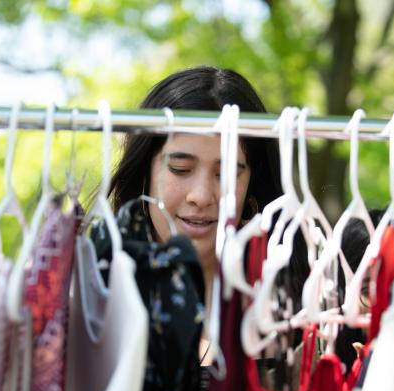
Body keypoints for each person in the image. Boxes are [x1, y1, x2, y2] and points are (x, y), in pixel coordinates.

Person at [108, 65, 307, 363]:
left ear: (252, 182)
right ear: (144, 174)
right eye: (180, 169)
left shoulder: (296, 314)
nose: (201, 196)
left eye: (226, 173)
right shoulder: (93, 302)